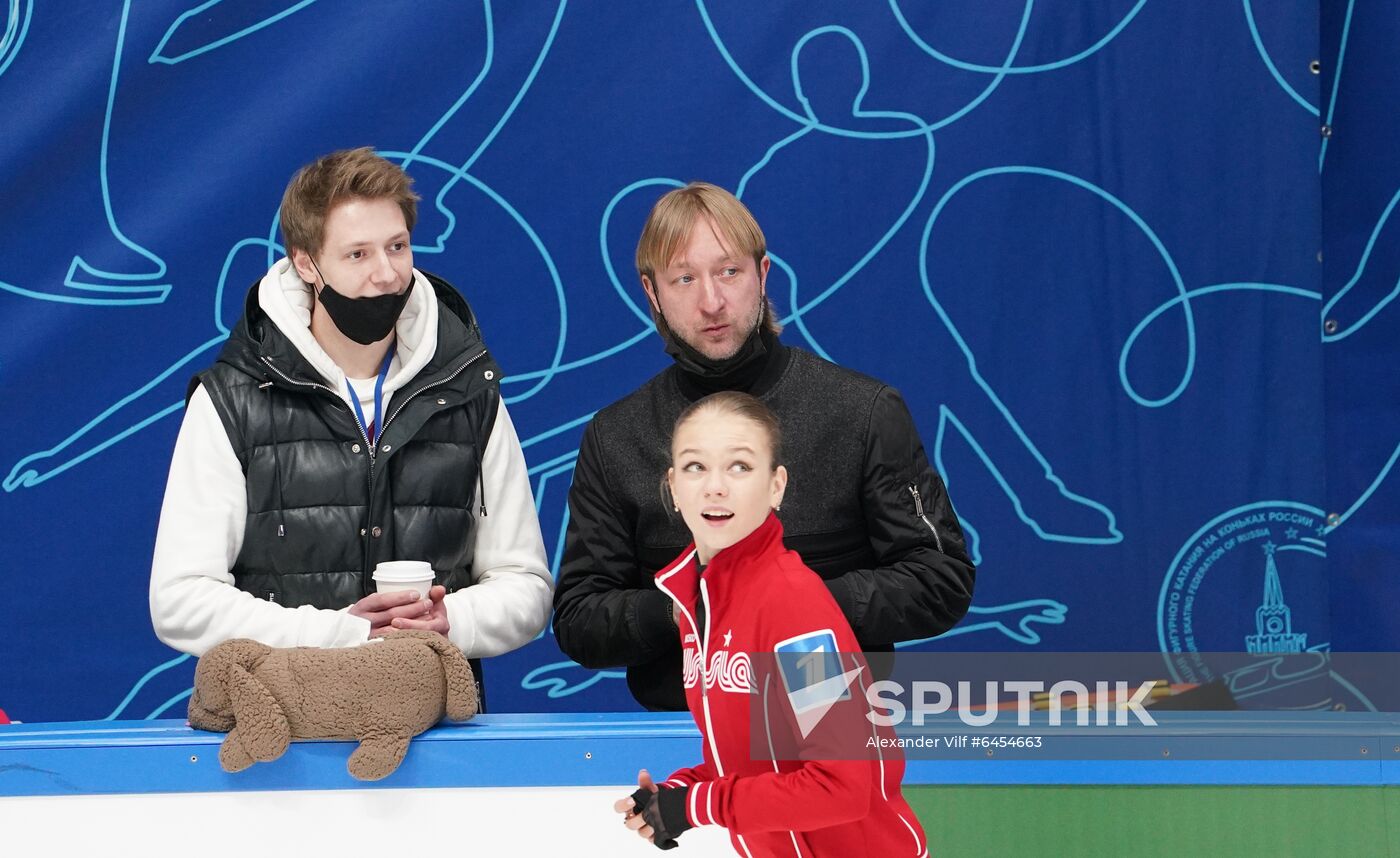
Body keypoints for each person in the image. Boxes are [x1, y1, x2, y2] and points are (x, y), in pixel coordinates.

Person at [554, 181, 975, 710]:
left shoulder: (862, 411)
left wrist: (794, 601)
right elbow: (579, 617)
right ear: (652, 292)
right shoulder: (616, 436)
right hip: (682, 744)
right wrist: (689, 606)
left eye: (729, 271)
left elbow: (941, 578)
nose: (712, 301)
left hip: (835, 729)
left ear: (763, 274)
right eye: (684, 278)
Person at [150, 148, 551, 692]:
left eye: (397, 247)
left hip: (435, 728)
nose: (386, 274)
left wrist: (449, 622)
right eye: (357, 255)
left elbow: (525, 586)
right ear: (306, 264)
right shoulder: (232, 398)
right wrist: (342, 633)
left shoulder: (468, 389)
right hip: (278, 735)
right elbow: (179, 601)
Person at [614, 392, 928, 856]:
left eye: (740, 466)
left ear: (776, 486)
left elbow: (842, 785)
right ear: (673, 488)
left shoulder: (795, 608)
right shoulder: (697, 605)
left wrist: (697, 805)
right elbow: (754, 763)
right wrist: (677, 794)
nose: (715, 487)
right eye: (695, 466)